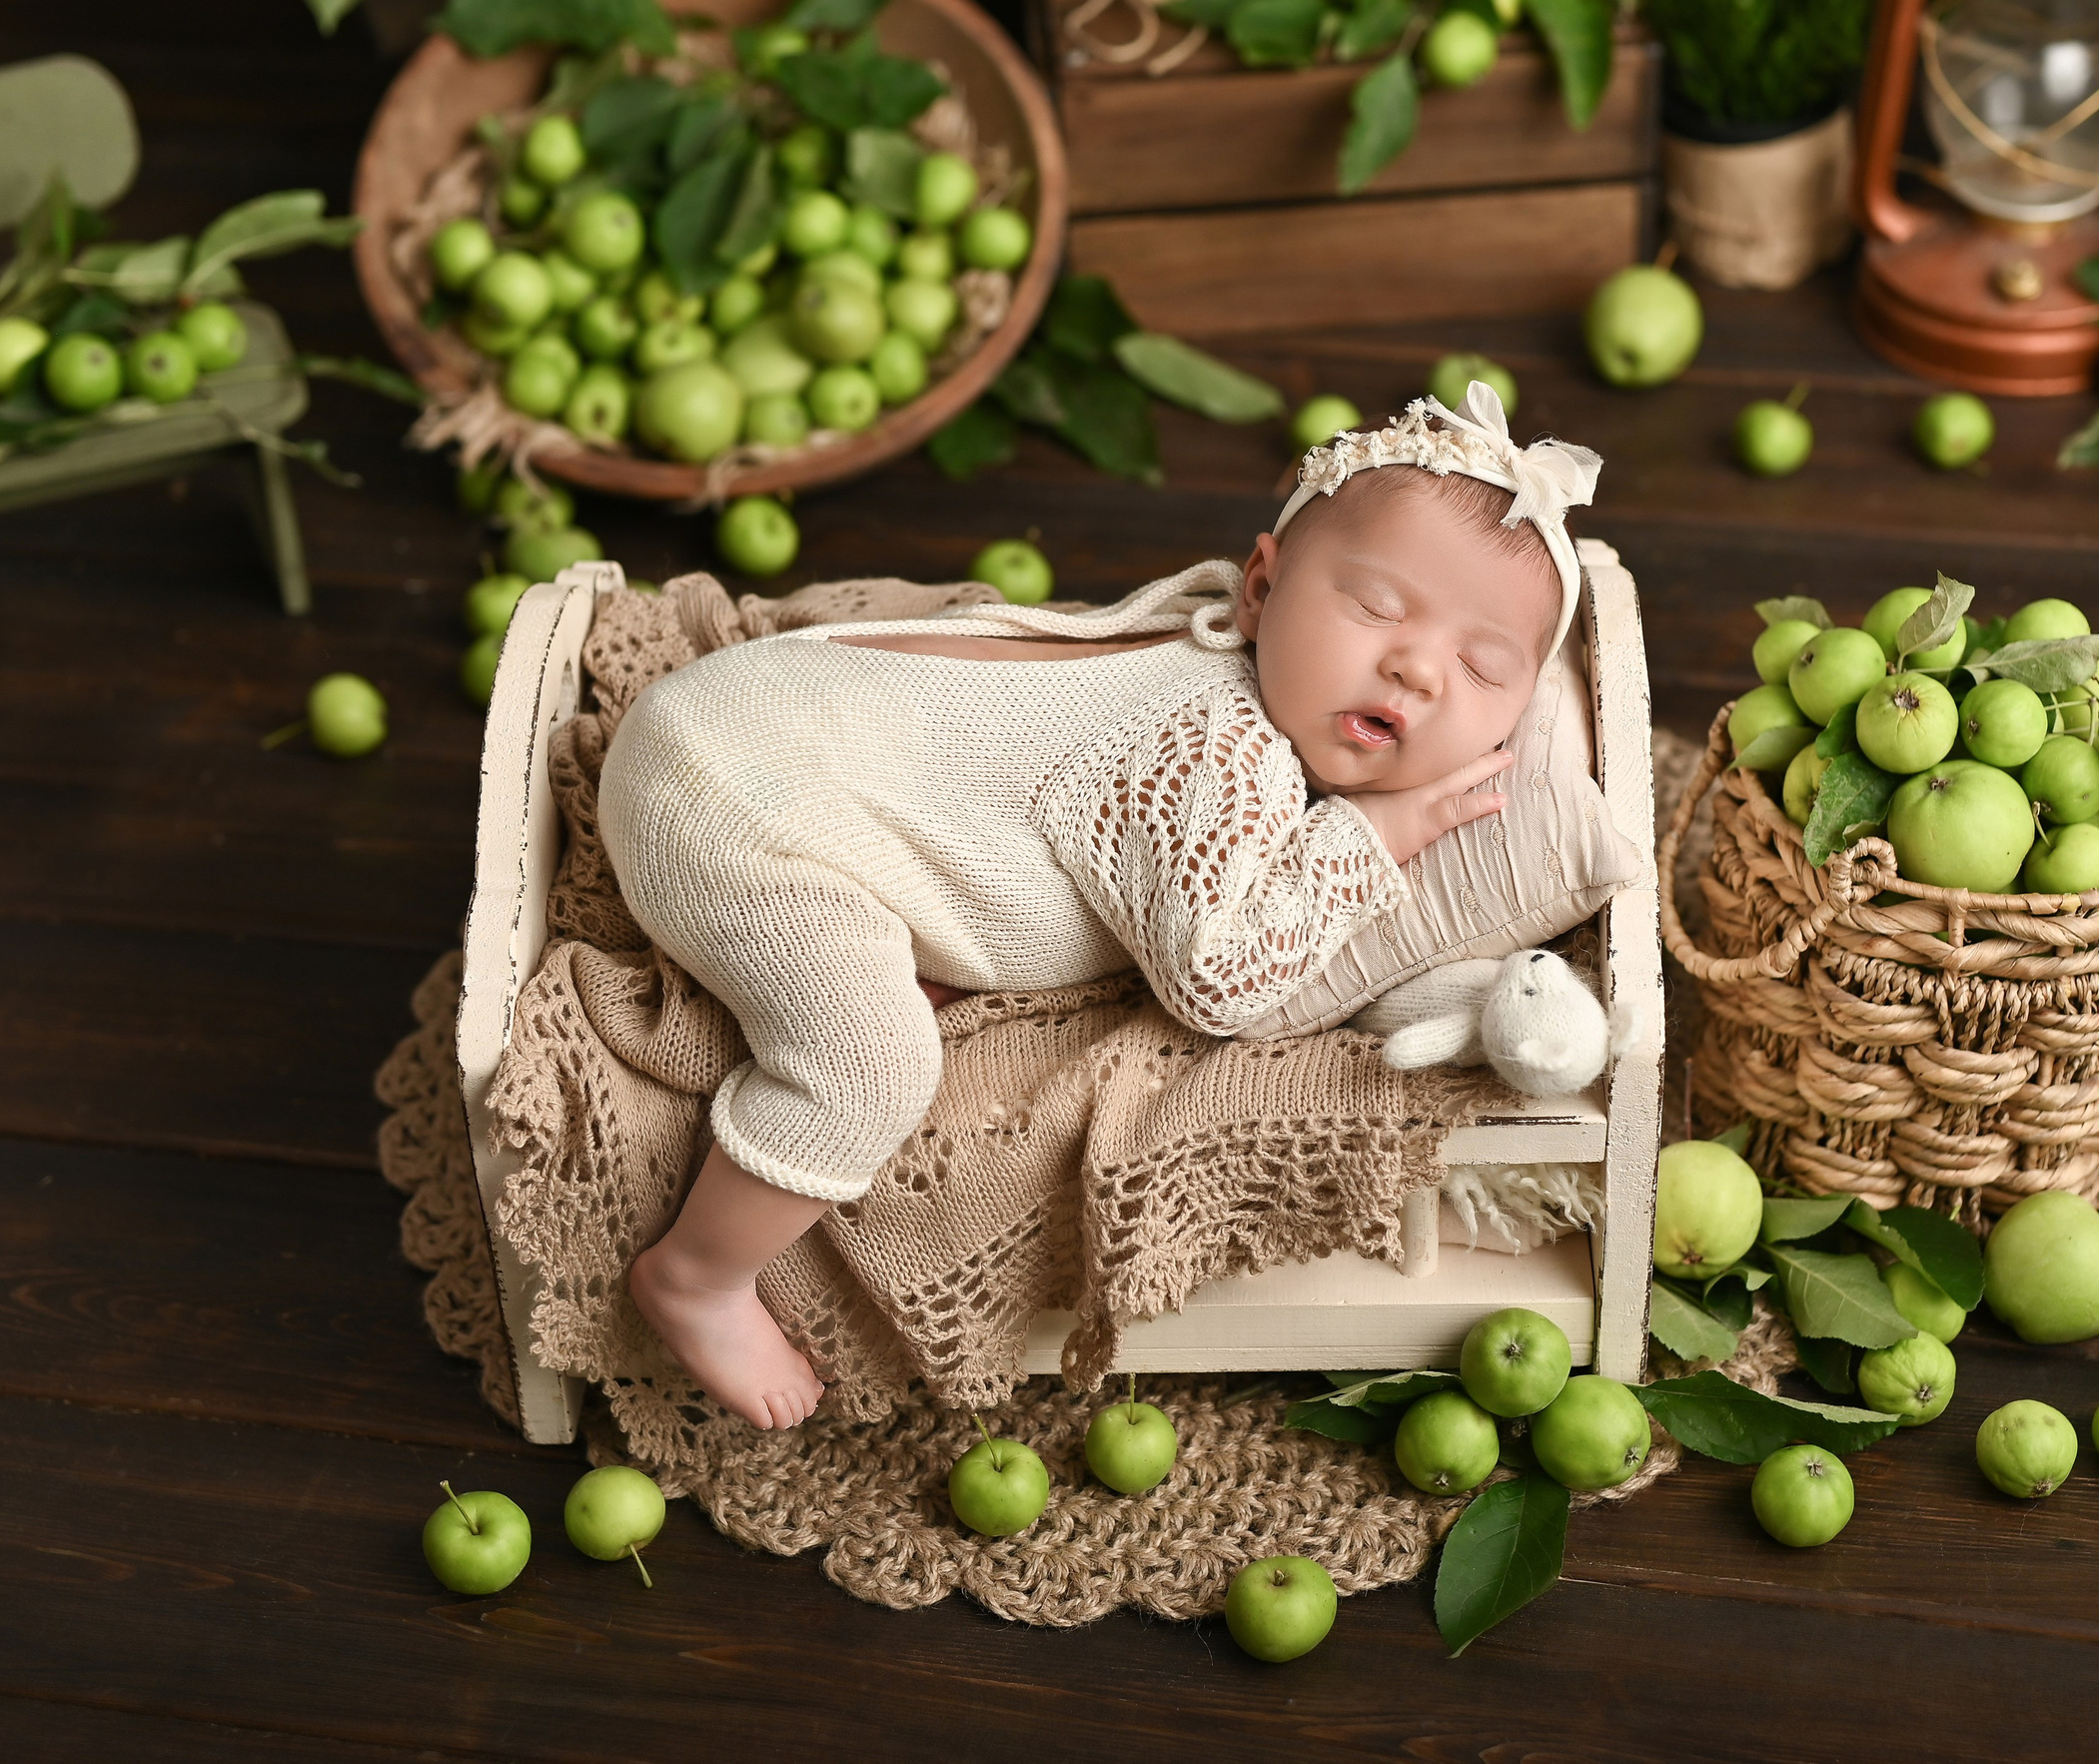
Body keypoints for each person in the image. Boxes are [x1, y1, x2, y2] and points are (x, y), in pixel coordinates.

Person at [598, 384, 1603, 1427]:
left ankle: (897, 902)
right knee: (871, 1068)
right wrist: (1372, 835)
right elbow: (1218, 981)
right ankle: (695, 1275)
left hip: (739, 719)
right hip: (728, 807)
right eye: (1376, 607)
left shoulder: (1207, 655)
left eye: (1482, 667)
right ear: (1258, 588)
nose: (1415, 664)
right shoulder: (1218, 744)